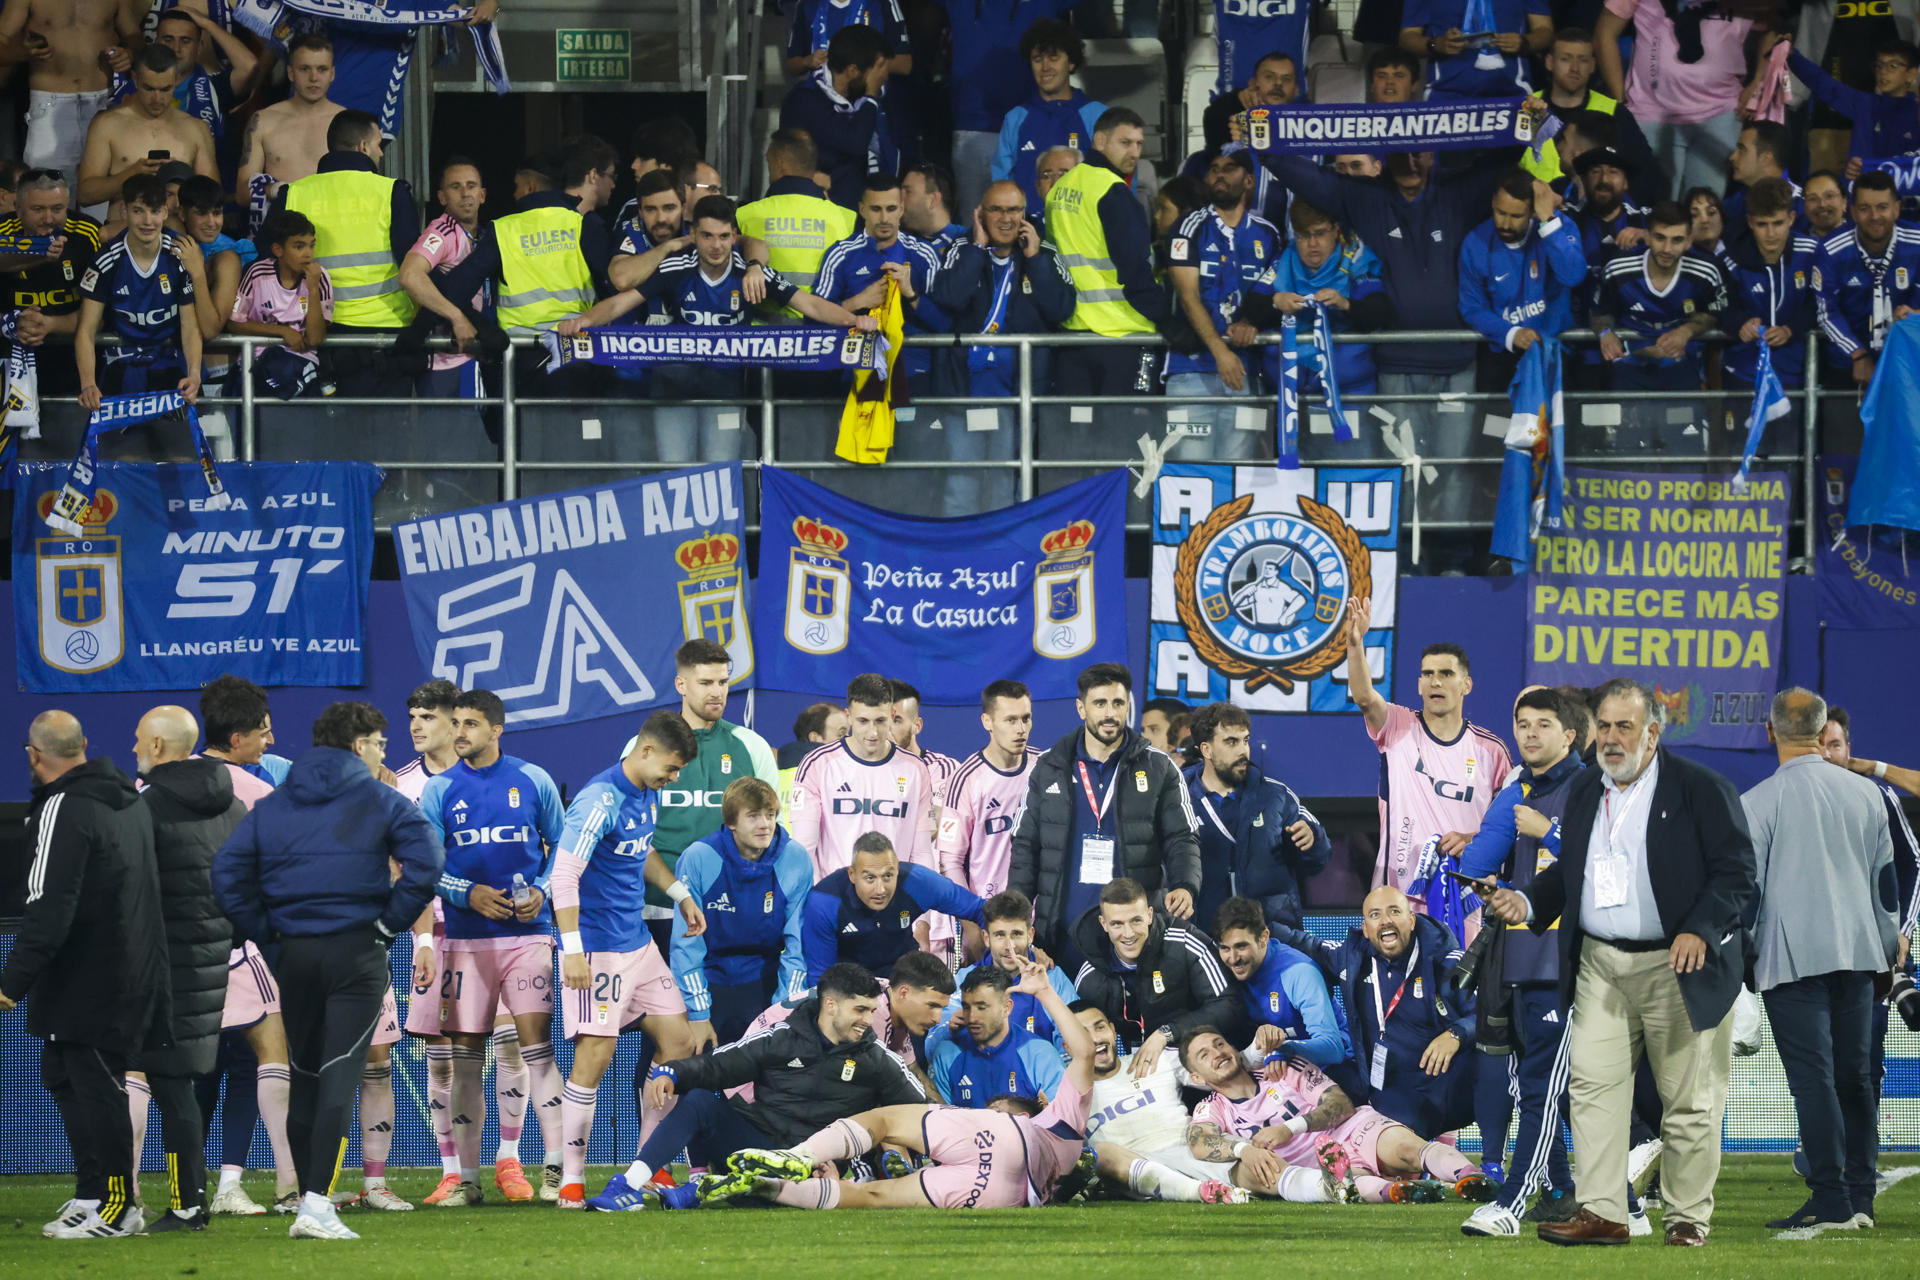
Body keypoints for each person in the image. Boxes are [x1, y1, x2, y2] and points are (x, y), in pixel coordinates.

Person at [1481, 677, 1756, 1247]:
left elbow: (1737, 875)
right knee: (1592, 1092)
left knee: (1688, 1103)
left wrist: (1701, 931)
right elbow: (1569, 871)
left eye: (1623, 727)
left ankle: (1686, 1218)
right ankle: (1605, 1213)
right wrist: (1528, 900)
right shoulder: (1586, 791)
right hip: (1600, 964)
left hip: (1677, 965)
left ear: (1652, 733)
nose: (1610, 738)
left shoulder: (1700, 789)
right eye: (1603, 726)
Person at [1259, 117, 1538, 568]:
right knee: (1401, 470)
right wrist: (1265, 147)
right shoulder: (1364, 196)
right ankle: (1401, 566)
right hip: (1393, 364)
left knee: (1450, 470)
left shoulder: (1457, 191)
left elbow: (1503, 157)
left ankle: (1447, 562)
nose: (1411, 161)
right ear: (1384, 158)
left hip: (1454, 364)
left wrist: (1526, 122)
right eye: (1402, 153)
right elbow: (1309, 177)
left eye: (1420, 151)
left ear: (1434, 153)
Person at [211, 701, 441, 1242]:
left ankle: (305, 1201)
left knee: (308, 1073)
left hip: (293, 954)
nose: (386, 752)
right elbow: (427, 862)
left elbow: (226, 871)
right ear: (358, 745)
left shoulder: (275, 800)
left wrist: (266, 933)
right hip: (356, 954)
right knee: (339, 1073)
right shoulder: (380, 798)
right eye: (381, 743)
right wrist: (388, 928)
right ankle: (315, 1204)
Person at [697, 954, 1092, 1212]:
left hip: (995, 1139)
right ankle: (771, 1187)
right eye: (937, 1006)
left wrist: (1043, 991)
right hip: (1007, 1195)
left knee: (881, 1117)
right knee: (872, 1197)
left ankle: (798, 1158)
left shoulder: (1055, 1121)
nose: (943, 1016)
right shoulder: (1070, 1143)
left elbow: (1083, 1052)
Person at [2, 711, 165, 1239]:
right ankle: (94, 1194)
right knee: (65, 1075)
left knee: (97, 1086)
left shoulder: (60, 806)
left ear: (34, 754)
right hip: (129, 964)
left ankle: (120, 1208)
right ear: (84, 745)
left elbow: (47, 905)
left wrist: (11, 981)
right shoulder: (130, 799)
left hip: (87, 974)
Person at [1742, 688, 1899, 1229]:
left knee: (1815, 1082)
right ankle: (1860, 1200)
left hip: (1791, 961)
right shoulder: (1867, 795)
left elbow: (1748, 893)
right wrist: (1886, 955)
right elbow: (1886, 886)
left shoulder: (1757, 802)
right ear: (1820, 728)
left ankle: (1831, 1200)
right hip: (1860, 954)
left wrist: (1743, 959)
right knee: (1856, 1079)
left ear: (1770, 733)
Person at [598, 961, 926, 1210]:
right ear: (830, 1005)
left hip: (811, 1166)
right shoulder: (782, 1038)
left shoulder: (876, 1059)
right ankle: (627, 1185)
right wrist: (672, 1072)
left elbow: (924, 1113)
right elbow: (718, 1065)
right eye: (860, 1010)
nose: (869, 1021)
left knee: (810, 1177)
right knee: (699, 1099)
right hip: (757, 1145)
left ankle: (705, 1190)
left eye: (871, 1011)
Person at [563, 195, 865, 464]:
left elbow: (810, 305)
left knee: (721, 470)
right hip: (674, 385)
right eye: (707, 236)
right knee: (675, 470)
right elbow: (620, 304)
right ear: (693, 235)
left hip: (726, 388)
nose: (716, 245)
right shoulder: (676, 266)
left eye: (723, 236)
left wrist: (853, 322)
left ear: (735, 236)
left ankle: (719, 532)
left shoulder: (752, 273)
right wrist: (584, 322)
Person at [547, 711, 707, 1209]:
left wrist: (678, 891)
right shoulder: (599, 800)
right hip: (597, 949)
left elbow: (642, 852)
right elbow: (563, 877)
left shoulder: (645, 794)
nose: (674, 777)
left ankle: (645, 1167)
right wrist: (573, 951)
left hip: (638, 944)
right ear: (645, 751)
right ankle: (571, 1181)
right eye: (672, 767)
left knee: (679, 1043)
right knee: (595, 1057)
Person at [413, 688, 566, 1209]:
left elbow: (562, 852)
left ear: (497, 729)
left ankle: (554, 1172)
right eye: (455, 723)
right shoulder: (439, 790)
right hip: (463, 941)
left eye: (471, 724)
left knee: (536, 1050)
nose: (459, 733)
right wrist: (466, 893)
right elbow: (427, 865)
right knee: (466, 1060)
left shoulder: (534, 779)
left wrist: (542, 891)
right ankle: (469, 1180)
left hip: (527, 937)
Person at [1453, 687, 1587, 1236]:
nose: (1529, 734)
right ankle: (1599, 1198)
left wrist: (1548, 831)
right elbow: (1481, 863)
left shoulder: (1590, 788)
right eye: (1522, 723)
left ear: (1571, 735)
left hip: (1572, 962)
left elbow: (1611, 864)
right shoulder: (1519, 790)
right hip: (1525, 957)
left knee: (1545, 1086)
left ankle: (1514, 1199)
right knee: (1537, 1086)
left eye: (1543, 725)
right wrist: (1499, 888)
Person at [127, 704, 244, 1234]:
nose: (132, 749)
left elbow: (128, 892)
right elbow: (246, 882)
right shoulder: (233, 804)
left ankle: (167, 1205)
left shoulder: (143, 808)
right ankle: (187, 1202)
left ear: (156, 747)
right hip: (214, 959)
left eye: (137, 741)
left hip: (157, 965)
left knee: (159, 1082)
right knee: (180, 1081)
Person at [1009, 662, 1201, 965]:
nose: (1110, 714)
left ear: (1128, 707)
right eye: (1100, 703)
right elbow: (1025, 846)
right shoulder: (1049, 768)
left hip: (1133, 936)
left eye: (1118, 703)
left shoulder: (1159, 768)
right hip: (1060, 935)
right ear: (1081, 708)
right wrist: (1016, 919)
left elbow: (1182, 838)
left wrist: (1185, 885)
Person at [1180, 1027, 1495, 1203]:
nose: (1218, 1053)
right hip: (1312, 1165)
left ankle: (1473, 1177)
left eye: (1220, 1043)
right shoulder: (1212, 1107)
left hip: (1348, 1129)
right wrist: (1242, 1149)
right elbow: (1200, 1142)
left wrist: (1290, 1128)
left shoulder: (1283, 1067)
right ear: (1196, 1077)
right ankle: (1403, 1193)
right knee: (1353, 1183)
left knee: (1405, 1148)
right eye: (1204, 1055)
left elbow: (1340, 1104)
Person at [1270, 886, 1480, 1151]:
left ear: (1411, 920)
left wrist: (1455, 1035)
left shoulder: (1444, 960)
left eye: (1394, 911)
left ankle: (1491, 1160)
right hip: (1387, 1088)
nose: (1386, 921)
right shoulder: (1352, 957)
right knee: (1327, 1077)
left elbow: (1485, 1013)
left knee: (1495, 1060)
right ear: (1366, 928)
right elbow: (1309, 944)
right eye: (1375, 915)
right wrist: (1263, 926)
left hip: (1440, 1084)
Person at [1343, 599, 1512, 897]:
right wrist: (1355, 644)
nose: (1436, 681)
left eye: (1446, 674)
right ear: (1419, 684)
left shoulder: (1491, 750)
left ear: (1467, 685)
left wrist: (1473, 839)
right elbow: (1365, 698)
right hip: (1398, 898)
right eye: (1427, 674)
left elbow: (1510, 827)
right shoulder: (1398, 727)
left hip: (1465, 900)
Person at [927, 180, 1074, 514]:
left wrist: (1035, 259)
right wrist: (976, 250)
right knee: (960, 485)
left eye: (1014, 210)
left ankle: (1004, 560)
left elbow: (1061, 310)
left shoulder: (1043, 251)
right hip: (965, 394)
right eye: (997, 210)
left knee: (1008, 484)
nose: (1006, 218)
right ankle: (960, 556)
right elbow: (948, 298)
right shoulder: (960, 247)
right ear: (981, 213)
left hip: (1017, 397)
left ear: (1025, 213)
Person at [1075, 1001, 1291, 1203]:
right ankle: (1199, 1192)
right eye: (1082, 1034)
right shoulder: (1066, 1093)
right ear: (1067, 1046)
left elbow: (1227, 1067)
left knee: (1268, 1167)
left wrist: (1262, 1044)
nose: (1095, 1038)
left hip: (1197, 1153)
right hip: (1140, 1171)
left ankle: (1322, 1184)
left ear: (1113, 1030)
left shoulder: (1155, 1058)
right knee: (1102, 1153)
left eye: (1100, 1027)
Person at [277, 109, 420, 395]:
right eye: (379, 144)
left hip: (311, 334)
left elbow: (271, 267)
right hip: (383, 334)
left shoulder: (293, 193)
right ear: (363, 147)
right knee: (385, 435)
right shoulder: (391, 191)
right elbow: (414, 266)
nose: (381, 153)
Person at [1234, 197, 1391, 452]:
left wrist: (1345, 304)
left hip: (1348, 396)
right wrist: (1275, 300)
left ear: (1336, 230)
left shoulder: (1355, 258)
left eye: (1320, 233)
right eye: (1304, 235)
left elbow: (1380, 311)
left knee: (1349, 479)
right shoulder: (1284, 259)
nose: (1312, 244)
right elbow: (1252, 306)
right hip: (1289, 400)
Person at [670, 776, 814, 1043]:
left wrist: (783, 1009)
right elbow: (686, 945)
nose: (765, 824)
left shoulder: (795, 858)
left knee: (770, 1076)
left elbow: (798, 947)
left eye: (770, 815)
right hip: (709, 977)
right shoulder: (698, 857)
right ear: (731, 823)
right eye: (753, 816)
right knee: (694, 1072)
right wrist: (698, 1013)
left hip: (766, 978)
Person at [1165, 147, 1283, 461]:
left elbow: (1269, 294)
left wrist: (1251, 323)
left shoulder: (1269, 235)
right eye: (1214, 168)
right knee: (1191, 472)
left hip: (1246, 373)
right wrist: (1221, 352)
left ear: (1249, 181)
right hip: (1191, 371)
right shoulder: (1188, 227)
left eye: (1229, 168)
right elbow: (1188, 298)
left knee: (1239, 472)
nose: (1218, 173)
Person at [1046, 107, 1168, 401]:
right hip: (1123, 333)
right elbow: (1134, 269)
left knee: (1077, 436)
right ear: (1099, 141)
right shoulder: (1113, 192)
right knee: (1127, 438)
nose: (1135, 152)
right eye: (1125, 143)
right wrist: (1168, 320)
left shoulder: (1059, 189)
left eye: (1139, 144)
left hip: (1072, 333)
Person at [1592, 199, 1726, 453]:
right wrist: (1605, 333)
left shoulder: (1706, 272)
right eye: (1660, 238)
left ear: (1688, 241)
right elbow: (1599, 313)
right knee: (1626, 451)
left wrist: (1687, 331)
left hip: (1681, 373)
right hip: (1629, 372)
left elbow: (1714, 314)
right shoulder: (1618, 270)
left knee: (1684, 449)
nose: (1667, 248)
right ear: (1648, 236)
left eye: (1677, 240)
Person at [1183, 704, 1329, 933]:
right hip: (1202, 938)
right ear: (1206, 750)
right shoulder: (1178, 799)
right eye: (1231, 742)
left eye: (1245, 740)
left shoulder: (1276, 796)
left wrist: (1313, 838)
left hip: (1272, 937)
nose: (1243, 751)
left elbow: (1319, 858)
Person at [1593, 0, 1752, 198]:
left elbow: (1774, 29)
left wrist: (1758, 83)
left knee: (1705, 209)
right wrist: (1619, 97)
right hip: (1651, 112)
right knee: (1654, 209)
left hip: (1720, 113)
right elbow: (1604, 33)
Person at [75, 173, 200, 416]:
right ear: (124, 211)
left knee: (181, 452)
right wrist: (88, 383)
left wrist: (194, 374)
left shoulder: (180, 255)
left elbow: (190, 326)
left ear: (165, 212)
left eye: (154, 211)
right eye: (138, 211)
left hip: (171, 366)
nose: (147, 221)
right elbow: (85, 330)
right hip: (120, 366)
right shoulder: (105, 261)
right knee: (121, 453)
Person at [790, 672, 938, 877]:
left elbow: (922, 853)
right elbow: (803, 851)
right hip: (836, 900)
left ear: (892, 714)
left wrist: (922, 904)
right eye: (863, 721)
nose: (873, 732)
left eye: (880, 721)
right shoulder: (817, 765)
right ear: (848, 716)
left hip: (894, 902)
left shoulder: (915, 769)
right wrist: (819, 902)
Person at [1071, 877, 1235, 1061]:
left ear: (1149, 915)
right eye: (1117, 924)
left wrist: (1167, 1033)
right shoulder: (1090, 976)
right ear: (1104, 924)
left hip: (1193, 1059)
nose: (1128, 933)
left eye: (1136, 920)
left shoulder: (1185, 942)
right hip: (1130, 1070)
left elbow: (1228, 1005)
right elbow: (1079, 1037)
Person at [1, 0, 139, 213]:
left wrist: (129, 54)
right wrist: (21, 52)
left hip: (102, 105)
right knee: (43, 198)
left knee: (100, 205)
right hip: (49, 104)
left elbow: (136, 38)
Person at [1457, 171, 1587, 393]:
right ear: (1493, 203)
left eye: (1516, 216)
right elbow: (1472, 307)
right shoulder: (1475, 243)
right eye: (1500, 212)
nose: (1505, 223)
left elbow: (1573, 275)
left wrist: (1548, 221)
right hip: (1502, 358)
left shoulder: (1558, 227)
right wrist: (1512, 334)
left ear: (1533, 212)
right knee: (1495, 428)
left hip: (1554, 353)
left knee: (1551, 428)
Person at [801, 830, 986, 984]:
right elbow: (821, 982)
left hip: (903, 981)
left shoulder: (917, 882)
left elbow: (982, 910)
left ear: (897, 870)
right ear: (852, 874)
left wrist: (1002, 959)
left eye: (888, 876)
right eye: (870, 878)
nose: (880, 889)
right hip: (850, 987)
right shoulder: (824, 902)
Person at [1715, 177, 1818, 452]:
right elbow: (1720, 306)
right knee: (1741, 456)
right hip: (1743, 374)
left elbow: (1819, 304)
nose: (1770, 233)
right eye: (1762, 224)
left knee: (1790, 462)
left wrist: (1790, 329)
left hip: (1793, 375)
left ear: (1792, 218)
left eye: (1778, 223)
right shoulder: (1730, 260)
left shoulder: (1811, 253)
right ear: (1749, 222)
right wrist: (1739, 323)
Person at [937, 682, 1042, 936]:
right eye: (1010, 720)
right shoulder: (966, 779)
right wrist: (971, 923)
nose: (1021, 729)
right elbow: (950, 860)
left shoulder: (1045, 767)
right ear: (987, 721)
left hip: (1040, 917)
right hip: (989, 919)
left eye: (1026, 719)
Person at [1212, 896, 1353, 1072]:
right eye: (1225, 948)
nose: (1233, 959)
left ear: (1264, 937)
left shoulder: (1299, 972)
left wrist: (1284, 1049)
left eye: (1241, 946)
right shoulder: (1220, 969)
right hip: (1273, 1068)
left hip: (1331, 1068)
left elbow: (1333, 1048)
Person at [0, 167, 103, 403]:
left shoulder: (89, 235)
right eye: (38, 209)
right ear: (17, 208)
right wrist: (11, 324)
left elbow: (103, 314)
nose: (49, 218)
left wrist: (50, 324)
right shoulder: (2, 233)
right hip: (6, 361)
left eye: (57, 209)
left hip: (72, 368)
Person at [76, 44, 218, 214]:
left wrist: (179, 182)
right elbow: (84, 195)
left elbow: (211, 198)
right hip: (123, 233)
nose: (157, 98)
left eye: (165, 89)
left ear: (176, 80)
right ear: (135, 79)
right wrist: (131, 175)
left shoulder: (196, 129)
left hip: (176, 234)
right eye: (149, 88)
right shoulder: (107, 125)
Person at [1815, 171, 1920, 388]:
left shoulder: (1917, 243)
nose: (1874, 216)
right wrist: (1858, 354)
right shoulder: (1830, 250)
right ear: (1853, 212)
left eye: (1882, 207)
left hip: (1910, 362)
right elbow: (1827, 312)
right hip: (1848, 366)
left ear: (1897, 209)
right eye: (1864, 208)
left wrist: (1916, 315)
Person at [993, 19, 1106, 218]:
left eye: (1053, 58)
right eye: (1037, 59)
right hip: (1029, 236)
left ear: (1070, 63)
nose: (1045, 67)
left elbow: (1116, 182)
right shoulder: (1016, 118)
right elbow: (1001, 185)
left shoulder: (1097, 116)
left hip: (1084, 233)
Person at [1523, 29, 1658, 196]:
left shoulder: (1615, 112)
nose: (1574, 68)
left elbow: (1644, 172)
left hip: (1596, 213)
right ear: (1549, 62)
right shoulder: (1524, 108)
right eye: (1565, 59)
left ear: (1593, 65)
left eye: (1583, 60)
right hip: (1535, 213)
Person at [398, 157, 491, 396]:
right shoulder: (443, 231)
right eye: (455, 187)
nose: (465, 193)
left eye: (471, 186)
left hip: (471, 356)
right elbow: (410, 275)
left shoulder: (485, 235)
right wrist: (457, 317)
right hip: (445, 364)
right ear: (442, 198)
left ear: (482, 194)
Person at [779, 24, 894, 210]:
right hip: (816, 218)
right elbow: (855, 142)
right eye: (877, 72)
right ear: (852, 71)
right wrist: (871, 94)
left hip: (855, 216)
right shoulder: (805, 100)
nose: (882, 79)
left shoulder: (862, 102)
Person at [736, 130, 857, 307]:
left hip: (763, 331)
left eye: (769, 162)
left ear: (780, 162)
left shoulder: (745, 215)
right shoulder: (846, 219)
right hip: (826, 329)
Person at [947, 890, 1079, 1045]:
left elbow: (1072, 1039)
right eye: (1000, 935)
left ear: (1030, 935)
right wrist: (948, 1030)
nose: (1009, 946)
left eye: (1016, 934)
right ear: (986, 938)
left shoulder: (1053, 978)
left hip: (1038, 1068)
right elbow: (935, 1040)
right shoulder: (964, 979)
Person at [226, 210, 331, 400]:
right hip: (254, 362)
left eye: (311, 245)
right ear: (278, 250)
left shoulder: (320, 277)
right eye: (299, 247)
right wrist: (282, 332)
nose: (308, 253)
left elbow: (315, 338)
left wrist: (313, 289)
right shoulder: (257, 273)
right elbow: (234, 322)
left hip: (300, 363)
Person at [926, 966, 1065, 1106]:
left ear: (1007, 1008)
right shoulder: (947, 1054)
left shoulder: (1039, 1054)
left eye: (982, 1007)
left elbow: (1060, 1119)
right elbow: (939, 1120)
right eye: (966, 1007)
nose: (972, 1017)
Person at [1780, 33, 1920, 171]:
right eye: (1879, 65)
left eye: (1893, 66)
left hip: (1904, 192)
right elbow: (1825, 85)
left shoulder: (1916, 114)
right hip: (1861, 189)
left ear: (1911, 73)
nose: (1883, 71)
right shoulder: (1865, 104)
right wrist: (1792, 56)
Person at [116, 7, 253, 147]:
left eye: (185, 41)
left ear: (199, 47)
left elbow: (249, 67)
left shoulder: (214, 87)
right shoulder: (136, 84)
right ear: (156, 43)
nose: (176, 48)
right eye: (168, 39)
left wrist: (207, 23)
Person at [236, 33, 345, 204]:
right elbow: (242, 193)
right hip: (280, 224)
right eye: (304, 69)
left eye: (322, 69)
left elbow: (364, 189)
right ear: (290, 73)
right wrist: (274, 191)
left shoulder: (346, 122)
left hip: (332, 223)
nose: (313, 78)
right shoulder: (263, 121)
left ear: (332, 74)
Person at [1398, 0, 1551, 100]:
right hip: (1445, 96)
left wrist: (1524, 42)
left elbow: (1544, 29)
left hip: (1512, 95)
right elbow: (1408, 37)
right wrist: (1435, 45)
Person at [1202, 51, 1299, 152]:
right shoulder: (1231, 116)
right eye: (1269, 76)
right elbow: (1212, 118)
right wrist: (1237, 99)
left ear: (1296, 90)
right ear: (1252, 83)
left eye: (1286, 79)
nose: (1278, 83)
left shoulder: (1310, 119)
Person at [776, 701, 848, 806]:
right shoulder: (834, 776)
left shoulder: (775, 773)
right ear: (815, 738)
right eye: (841, 734)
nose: (848, 741)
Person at [902, 163, 965, 258]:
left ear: (933, 200)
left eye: (908, 192)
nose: (897, 199)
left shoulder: (971, 241)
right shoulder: (898, 242)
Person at [563, 133, 618, 221]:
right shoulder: (591, 227)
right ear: (593, 175)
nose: (613, 185)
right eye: (612, 176)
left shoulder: (544, 213)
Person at [1803, 169, 1850, 240]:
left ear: (1844, 202)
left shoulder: (1861, 240)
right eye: (1812, 199)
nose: (1822, 204)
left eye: (1829, 196)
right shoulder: (1796, 244)